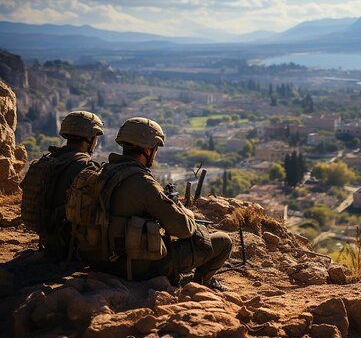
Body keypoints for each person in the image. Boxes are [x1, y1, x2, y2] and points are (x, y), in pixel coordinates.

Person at [78, 117, 232, 289]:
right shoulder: (144, 183)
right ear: (147, 149)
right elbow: (183, 230)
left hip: (100, 261)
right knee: (224, 241)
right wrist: (183, 211)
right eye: (156, 148)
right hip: (137, 268)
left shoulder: (103, 173)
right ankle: (202, 283)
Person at [20, 110, 104, 261]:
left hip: (49, 238)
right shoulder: (86, 166)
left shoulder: (48, 160)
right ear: (91, 138)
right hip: (71, 246)